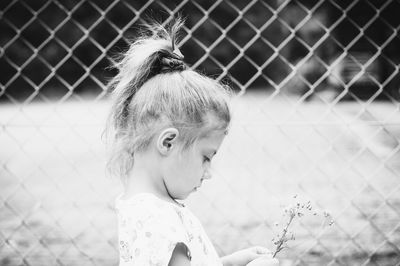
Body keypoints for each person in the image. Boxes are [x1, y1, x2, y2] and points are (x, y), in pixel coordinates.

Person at [106, 17, 279, 266]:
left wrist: (230, 262)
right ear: (167, 143)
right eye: (206, 157)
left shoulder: (145, 207)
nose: (208, 173)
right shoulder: (157, 220)